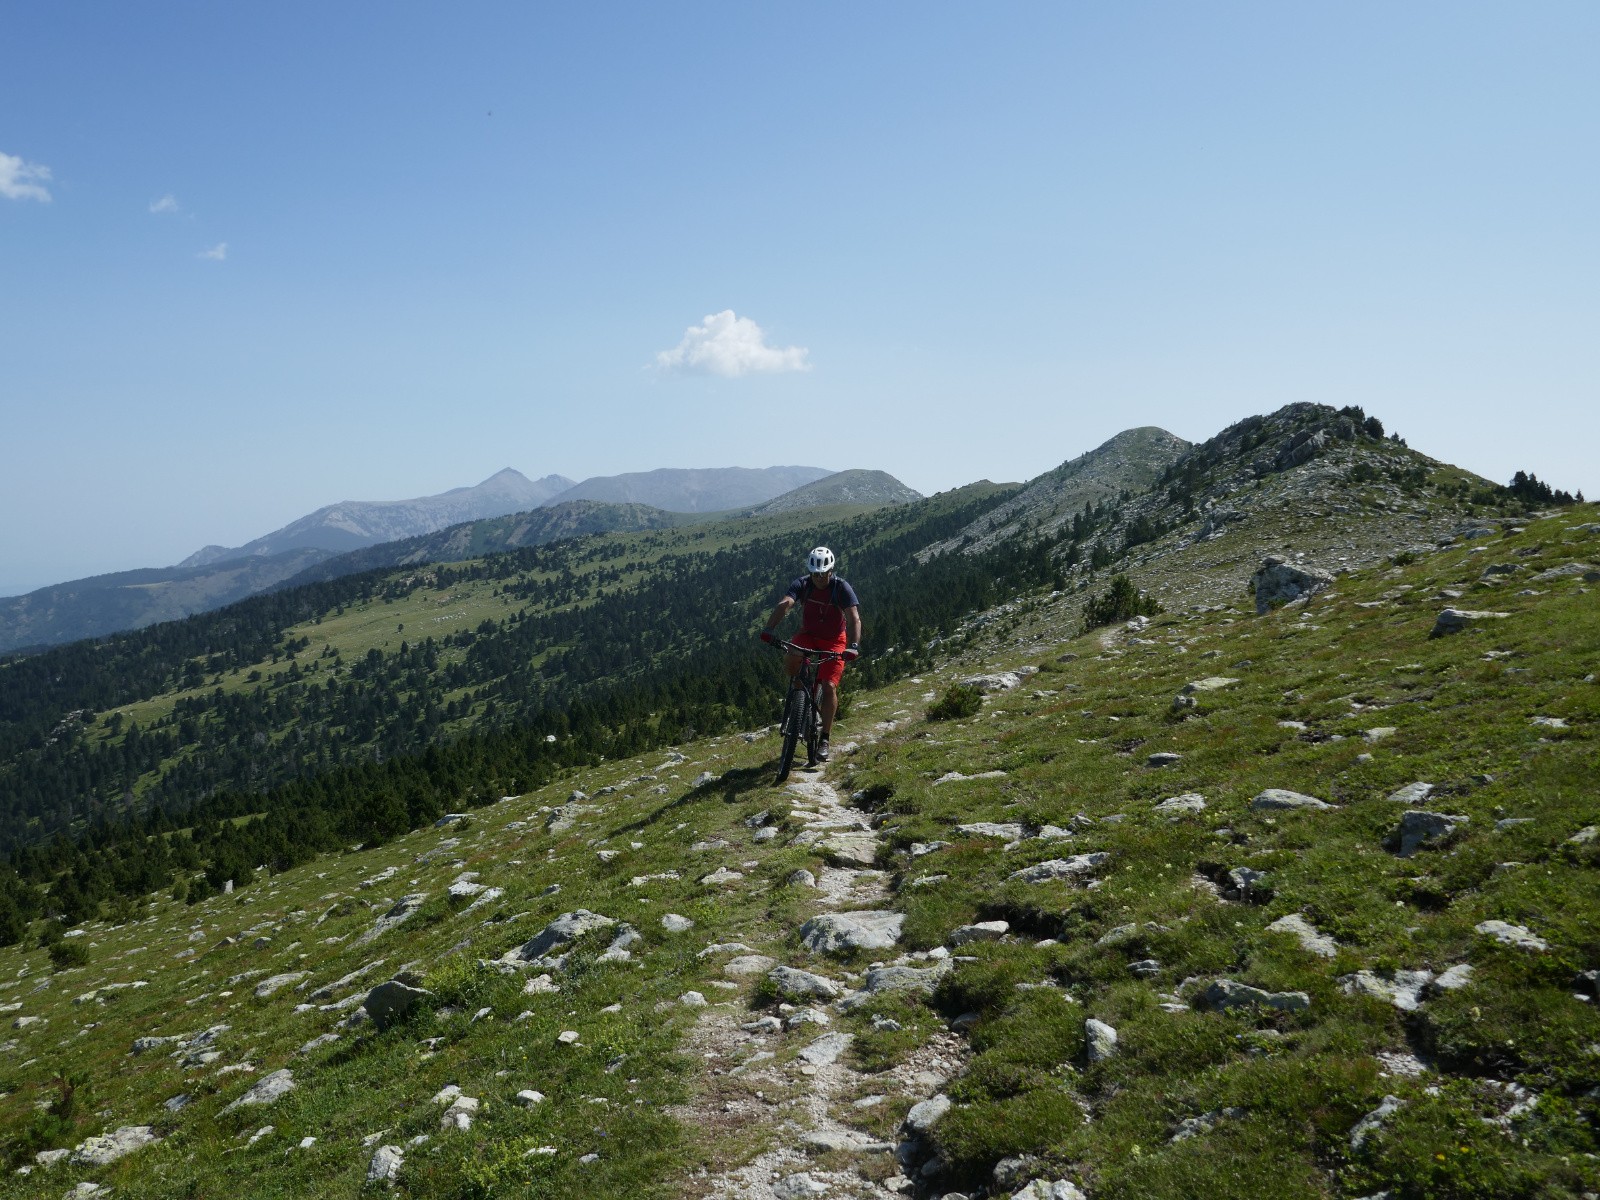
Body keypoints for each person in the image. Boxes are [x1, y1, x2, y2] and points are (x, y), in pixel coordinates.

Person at [758, 546, 860, 764]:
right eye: (816, 574)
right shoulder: (802, 584)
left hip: (835, 640)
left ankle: (825, 738)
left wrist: (853, 645)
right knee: (793, 655)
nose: (820, 578)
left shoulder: (841, 588)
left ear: (831, 570)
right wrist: (769, 629)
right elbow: (785, 605)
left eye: (824, 573)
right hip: (808, 635)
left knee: (829, 686)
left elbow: (853, 618)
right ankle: (798, 692)